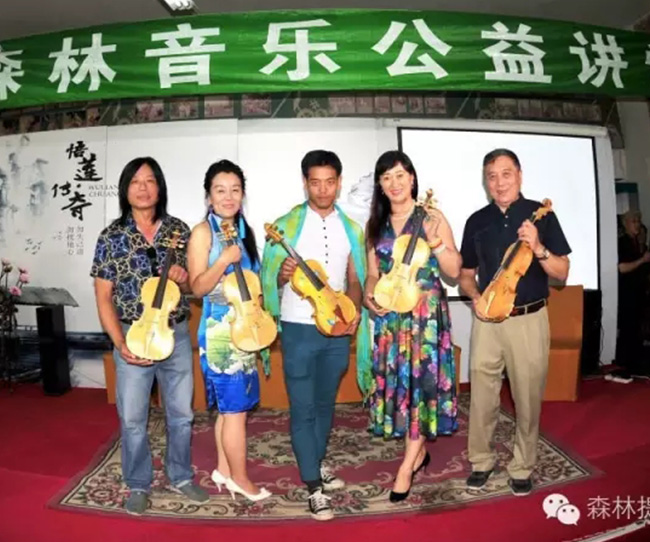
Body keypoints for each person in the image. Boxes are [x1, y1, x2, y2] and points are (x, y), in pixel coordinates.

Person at [91, 157, 208, 515]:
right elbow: (103, 297)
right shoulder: (111, 237)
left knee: (181, 414)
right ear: (125, 190)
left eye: (150, 180)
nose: (143, 188)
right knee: (132, 417)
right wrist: (120, 343)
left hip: (175, 334)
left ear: (160, 187)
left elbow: (195, 287)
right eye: (135, 181)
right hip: (132, 334)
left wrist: (183, 280)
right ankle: (138, 482)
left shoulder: (179, 230)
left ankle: (181, 474)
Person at [261, 150, 369, 521]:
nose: (323, 189)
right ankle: (313, 487)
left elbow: (354, 279)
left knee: (325, 404)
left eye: (330, 182)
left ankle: (316, 460)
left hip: (337, 328)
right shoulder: (285, 226)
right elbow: (268, 280)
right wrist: (281, 275)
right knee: (303, 407)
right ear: (305, 183)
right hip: (297, 329)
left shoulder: (352, 229)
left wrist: (352, 311)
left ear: (339, 183)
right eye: (315, 182)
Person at [458, 148, 571, 496]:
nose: (499, 182)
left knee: (527, 397)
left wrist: (538, 248)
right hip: (487, 321)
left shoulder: (541, 216)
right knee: (482, 395)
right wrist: (475, 297)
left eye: (506, 174)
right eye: (491, 176)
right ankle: (481, 461)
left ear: (519, 176)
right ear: (485, 181)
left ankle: (522, 465)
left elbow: (562, 272)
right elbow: (465, 275)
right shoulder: (476, 221)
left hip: (529, 319)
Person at [363, 150, 461, 502]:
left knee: (422, 387)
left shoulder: (432, 217)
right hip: (392, 318)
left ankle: (406, 467)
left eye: (400, 175)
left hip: (425, 319)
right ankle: (418, 453)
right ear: (380, 184)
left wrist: (435, 241)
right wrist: (369, 295)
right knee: (402, 389)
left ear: (412, 178)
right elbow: (372, 274)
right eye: (387, 177)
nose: (394, 183)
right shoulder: (375, 226)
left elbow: (453, 269)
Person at [186, 159, 271, 502]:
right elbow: (196, 287)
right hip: (220, 334)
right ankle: (240, 479)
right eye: (220, 190)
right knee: (235, 411)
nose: (228, 197)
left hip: (245, 330)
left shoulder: (243, 231)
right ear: (209, 197)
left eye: (235, 190)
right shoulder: (202, 233)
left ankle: (223, 469)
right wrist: (223, 259)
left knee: (230, 408)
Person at [615, 210, 650, 378]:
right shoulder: (623, 243)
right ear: (626, 224)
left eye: (638, 221)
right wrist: (642, 260)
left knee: (637, 330)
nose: (637, 225)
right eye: (634, 221)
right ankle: (627, 365)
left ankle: (636, 364)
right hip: (627, 295)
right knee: (629, 330)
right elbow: (622, 268)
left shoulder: (637, 243)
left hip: (639, 294)